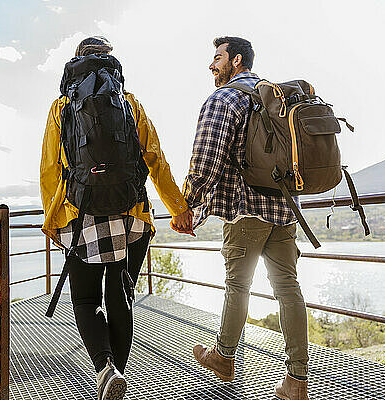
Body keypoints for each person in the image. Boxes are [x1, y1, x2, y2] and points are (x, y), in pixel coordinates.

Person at [40, 36, 193, 400]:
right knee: (120, 294)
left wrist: (53, 221)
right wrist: (178, 208)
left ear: (76, 64)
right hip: (132, 214)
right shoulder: (130, 103)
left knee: (86, 300)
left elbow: (50, 170)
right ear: (111, 63)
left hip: (83, 215)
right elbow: (156, 159)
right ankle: (118, 377)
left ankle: (104, 369)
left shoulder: (62, 106)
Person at [180, 36, 310, 400]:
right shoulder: (276, 98)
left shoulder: (224, 99)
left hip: (246, 210)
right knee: (288, 288)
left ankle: (223, 356)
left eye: (217, 58)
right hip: (284, 210)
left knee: (238, 285)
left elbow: (205, 161)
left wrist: (187, 204)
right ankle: (296, 381)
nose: (212, 65)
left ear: (236, 60)